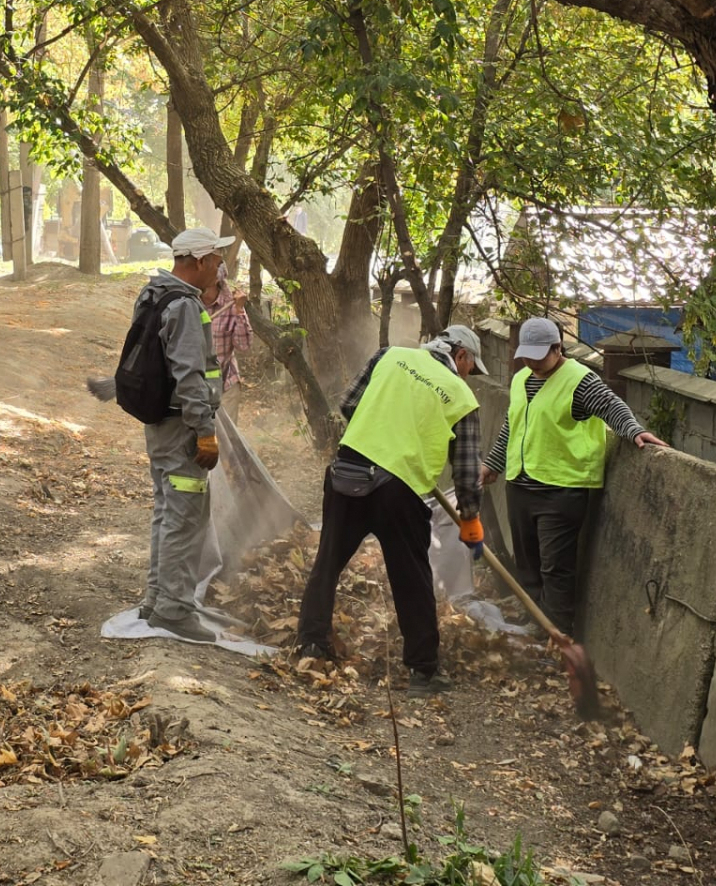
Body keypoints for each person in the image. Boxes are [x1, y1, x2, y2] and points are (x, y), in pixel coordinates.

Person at [296, 325, 487, 696]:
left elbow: (350, 404)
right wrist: (470, 518)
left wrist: (385, 428)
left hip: (346, 473)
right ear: (461, 355)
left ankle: (311, 645)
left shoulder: (390, 355)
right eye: (471, 368)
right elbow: (465, 471)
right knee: (412, 579)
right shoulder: (461, 396)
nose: (469, 377)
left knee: (328, 562)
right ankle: (423, 672)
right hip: (399, 492)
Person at [480, 316, 668, 636]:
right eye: (526, 354)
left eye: (539, 355)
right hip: (520, 486)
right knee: (528, 562)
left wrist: (634, 430)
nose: (531, 361)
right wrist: (494, 464)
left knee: (555, 566)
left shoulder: (579, 381)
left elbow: (612, 406)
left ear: (558, 348)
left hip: (562, 490)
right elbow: (513, 426)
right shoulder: (521, 377)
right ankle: (534, 623)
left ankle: (555, 633)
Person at [132, 227, 232, 643]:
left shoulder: (153, 293)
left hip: (160, 425)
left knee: (165, 510)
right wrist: (205, 433)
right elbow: (190, 376)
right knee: (185, 518)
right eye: (217, 260)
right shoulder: (186, 307)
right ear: (200, 261)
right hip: (182, 429)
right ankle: (174, 609)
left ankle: (157, 599)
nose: (221, 268)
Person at [202, 262, 252, 420]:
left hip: (226, 385)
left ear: (215, 280)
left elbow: (244, 346)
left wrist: (239, 310)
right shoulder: (189, 303)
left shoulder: (231, 304)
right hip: (195, 386)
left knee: (226, 441)